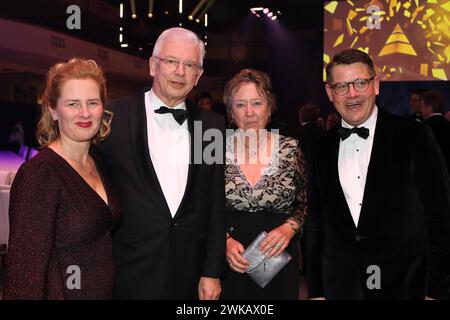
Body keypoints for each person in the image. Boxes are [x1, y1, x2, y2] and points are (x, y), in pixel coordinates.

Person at [305, 49, 450, 300]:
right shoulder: (320, 149)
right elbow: (316, 225)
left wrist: (434, 290)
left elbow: (439, 216)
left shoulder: (414, 136)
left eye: (360, 83)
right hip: (341, 286)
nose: (352, 94)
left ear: (376, 85)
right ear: (330, 93)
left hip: (404, 284)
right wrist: (316, 290)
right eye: (341, 86)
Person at [100, 27, 226, 299]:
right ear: (153, 66)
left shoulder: (212, 125)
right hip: (128, 270)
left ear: (199, 75)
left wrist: (212, 270)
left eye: (190, 65)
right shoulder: (112, 117)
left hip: (190, 274)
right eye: (171, 61)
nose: (180, 71)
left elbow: (215, 203)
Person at [3, 58, 121, 299]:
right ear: (53, 111)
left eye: (92, 102)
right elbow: (24, 276)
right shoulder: (41, 174)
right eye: (73, 104)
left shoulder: (100, 162)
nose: (85, 113)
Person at [221, 69, 307, 299]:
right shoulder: (215, 150)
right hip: (230, 262)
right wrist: (224, 242)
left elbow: (305, 204)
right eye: (240, 105)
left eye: (257, 103)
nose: (249, 112)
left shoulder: (290, 149)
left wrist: (288, 229)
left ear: (269, 107)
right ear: (231, 112)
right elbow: (201, 207)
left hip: (279, 262)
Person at [420, 90, 450, 173]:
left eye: (422, 106)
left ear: (429, 107)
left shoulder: (423, 127)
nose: (421, 110)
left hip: (432, 173)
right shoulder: (447, 124)